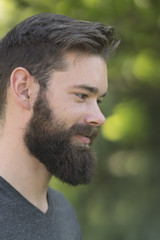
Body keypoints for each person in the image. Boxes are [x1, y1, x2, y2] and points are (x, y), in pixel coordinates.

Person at [0, 13, 119, 239]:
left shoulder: (65, 215)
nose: (99, 117)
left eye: (99, 100)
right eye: (82, 95)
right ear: (25, 90)